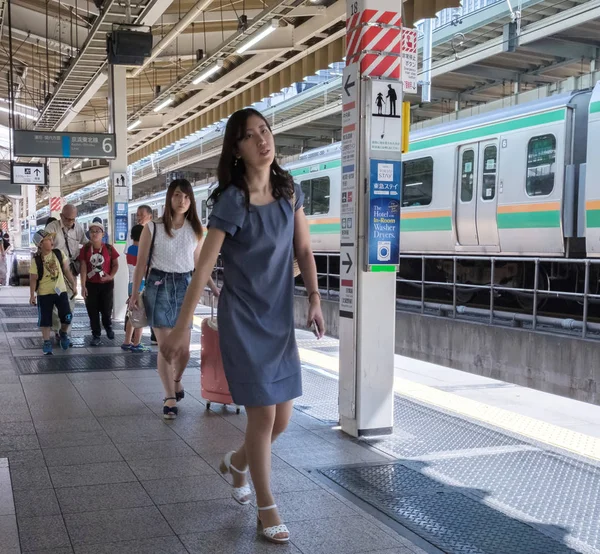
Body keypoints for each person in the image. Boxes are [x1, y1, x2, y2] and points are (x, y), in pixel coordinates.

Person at [161, 108, 325, 545]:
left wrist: (314, 297)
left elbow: (305, 249)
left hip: (277, 319)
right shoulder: (231, 200)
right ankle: (265, 507)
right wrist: (182, 327)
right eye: (250, 136)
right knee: (263, 413)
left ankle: (237, 462)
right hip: (243, 319)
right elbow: (203, 267)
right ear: (236, 149)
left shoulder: (290, 191)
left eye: (265, 131)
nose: (262, 141)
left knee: (282, 419)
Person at [129, 179, 219, 419]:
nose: (182, 201)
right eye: (178, 195)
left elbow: (200, 263)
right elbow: (141, 264)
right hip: (158, 286)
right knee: (167, 347)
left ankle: (177, 380)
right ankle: (169, 396)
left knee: (184, 351)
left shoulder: (196, 230)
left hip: (185, 288)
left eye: (187, 197)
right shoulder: (153, 227)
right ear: (170, 198)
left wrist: (213, 287)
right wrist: (134, 294)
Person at [29, 230, 77, 355]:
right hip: (44, 293)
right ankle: (46, 342)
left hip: (61, 291)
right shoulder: (36, 261)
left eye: (51, 239)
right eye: (48, 239)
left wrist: (73, 284)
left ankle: (63, 333)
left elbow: (66, 270)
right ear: (40, 244)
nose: (51, 241)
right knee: (45, 320)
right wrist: (32, 295)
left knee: (67, 316)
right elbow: (33, 278)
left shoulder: (59, 254)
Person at [45, 204, 88, 338]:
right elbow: (44, 244)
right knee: (56, 302)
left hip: (71, 269)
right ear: (61, 216)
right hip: (55, 271)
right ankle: (58, 329)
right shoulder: (52, 228)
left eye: (73, 219)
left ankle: (65, 331)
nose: (70, 222)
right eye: (68, 219)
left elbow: (86, 242)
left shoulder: (78, 228)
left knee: (70, 301)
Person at [79, 221, 119, 346]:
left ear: (103, 234)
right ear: (89, 234)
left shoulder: (109, 248)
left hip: (106, 284)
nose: (95, 234)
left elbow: (115, 264)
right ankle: (96, 335)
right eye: (92, 231)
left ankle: (108, 326)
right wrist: (83, 285)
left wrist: (110, 276)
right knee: (92, 311)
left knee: (107, 310)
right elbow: (83, 268)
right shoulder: (85, 249)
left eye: (98, 231)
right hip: (91, 285)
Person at [126, 205, 157, 345]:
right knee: (140, 313)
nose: (138, 217)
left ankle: (130, 340)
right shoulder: (139, 248)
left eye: (141, 214)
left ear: (150, 215)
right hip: (142, 282)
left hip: (134, 282)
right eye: (137, 214)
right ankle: (135, 342)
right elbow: (142, 265)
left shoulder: (132, 248)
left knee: (135, 312)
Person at [122, 224, 148, 352]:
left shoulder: (130, 249)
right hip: (140, 285)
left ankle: (127, 341)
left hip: (131, 284)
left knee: (131, 315)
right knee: (140, 317)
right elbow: (144, 269)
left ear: (132, 236)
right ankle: (136, 343)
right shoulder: (143, 251)